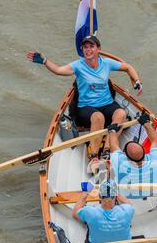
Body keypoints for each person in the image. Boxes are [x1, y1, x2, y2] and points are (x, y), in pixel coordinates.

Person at [27, 35, 143, 173]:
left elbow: (128, 67)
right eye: (85, 47)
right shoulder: (78, 65)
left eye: (91, 47)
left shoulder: (106, 63)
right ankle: (94, 157)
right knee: (98, 117)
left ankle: (107, 150)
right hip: (86, 108)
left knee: (121, 113)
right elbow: (58, 70)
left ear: (98, 49)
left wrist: (137, 81)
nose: (88, 50)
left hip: (107, 104)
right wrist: (45, 61)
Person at [108, 112, 157, 199]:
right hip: (147, 192)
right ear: (144, 152)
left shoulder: (121, 163)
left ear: (125, 156)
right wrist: (146, 123)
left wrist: (112, 131)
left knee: (109, 169)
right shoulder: (155, 160)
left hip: (123, 195)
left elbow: (113, 145)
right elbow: (156, 140)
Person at [72, 179, 134, 243]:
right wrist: (118, 195)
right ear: (116, 196)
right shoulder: (127, 210)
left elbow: (75, 213)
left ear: (99, 196)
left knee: (88, 221)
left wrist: (84, 194)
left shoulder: (90, 212)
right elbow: (129, 204)